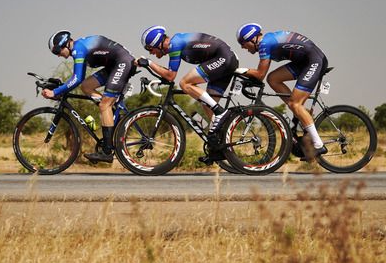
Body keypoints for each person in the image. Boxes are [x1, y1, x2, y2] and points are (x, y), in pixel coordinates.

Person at [235, 23, 328, 161]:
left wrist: (237, 70)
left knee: (295, 104)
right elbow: (264, 76)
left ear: (251, 39)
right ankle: (298, 115)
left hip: (313, 61)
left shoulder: (265, 44)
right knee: (273, 79)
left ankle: (318, 144)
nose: (242, 47)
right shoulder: (267, 42)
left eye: (242, 43)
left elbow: (260, 74)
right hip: (303, 62)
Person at [42, 30, 136, 163]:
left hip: (122, 62)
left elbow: (77, 78)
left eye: (57, 51)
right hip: (115, 64)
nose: (57, 55)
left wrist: (56, 92)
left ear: (64, 44)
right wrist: (59, 88)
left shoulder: (78, 49)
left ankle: (107, 152)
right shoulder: (79, 50)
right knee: (86, 86)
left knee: (104, 105)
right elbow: (79, 79)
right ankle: (114, 113)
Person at [135, 26, 239, 134]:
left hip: (223, 58)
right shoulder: (176, 42)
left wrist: (149, 63)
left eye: (150, 49)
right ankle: (219, 142)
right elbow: (168, 74)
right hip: (227, 58)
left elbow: (170, 76)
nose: (151, 53)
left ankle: (221, 112)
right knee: (207, 103)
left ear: (157, 43)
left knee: (185, 83)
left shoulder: (174, 44)